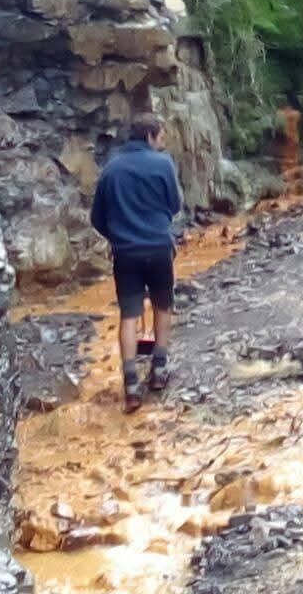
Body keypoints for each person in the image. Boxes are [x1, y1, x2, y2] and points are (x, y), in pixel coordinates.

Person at [91, 114, 183, 412]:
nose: (162, 143)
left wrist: (120, 235)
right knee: (163, 306)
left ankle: (130, 383)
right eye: (161, 137)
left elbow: (97, 218)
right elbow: (175, 205)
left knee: (129, 315)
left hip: (125, 252)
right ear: (150, 136)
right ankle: (158, 370)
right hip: (158, 247)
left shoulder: (110, 170)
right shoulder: (163, 164)